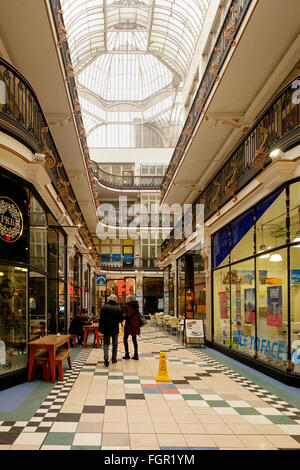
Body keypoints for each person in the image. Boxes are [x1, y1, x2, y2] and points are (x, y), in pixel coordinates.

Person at [99, 294, 123, 367]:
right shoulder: (118, 308)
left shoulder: (104, 308)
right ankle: (114, 358)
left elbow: (101, 320)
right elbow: (120, 320)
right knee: (115, 344)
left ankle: (106, 356)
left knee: (106, 343)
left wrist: (101, 329)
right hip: (115, 329)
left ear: (109, 299)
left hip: (106, 329)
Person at [123, 294, 141, 360]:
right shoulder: (136, 306)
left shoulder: (127, 306)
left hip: (129, 325)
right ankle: (136, 355)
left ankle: (127, 354)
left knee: (125, 339)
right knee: (134, 340)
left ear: (129, 299)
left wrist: (123, 317)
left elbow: (128, 316)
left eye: (127, 298)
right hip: (135, 325)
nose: (126, 300)